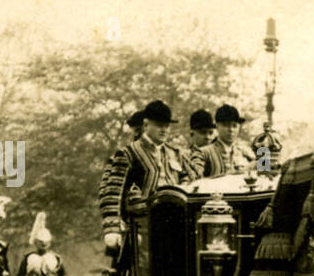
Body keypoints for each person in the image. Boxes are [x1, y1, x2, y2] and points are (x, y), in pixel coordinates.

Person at [99, 102, 190, 254]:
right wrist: (112, 229)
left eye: (167, 125)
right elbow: (111, 193)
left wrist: (184, 185)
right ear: (146, 125)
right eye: (159, 125)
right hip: (142, 229)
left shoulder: (175, 154)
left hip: (176, 226)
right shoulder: (128, 154)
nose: (164, 130)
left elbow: (189, 179)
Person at [196, 104, 257, 177]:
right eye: (226, 125)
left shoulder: (246, 152)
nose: (231, 130)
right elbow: (195, 180)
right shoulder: (204, 153)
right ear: (217, 126)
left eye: (234, 126)